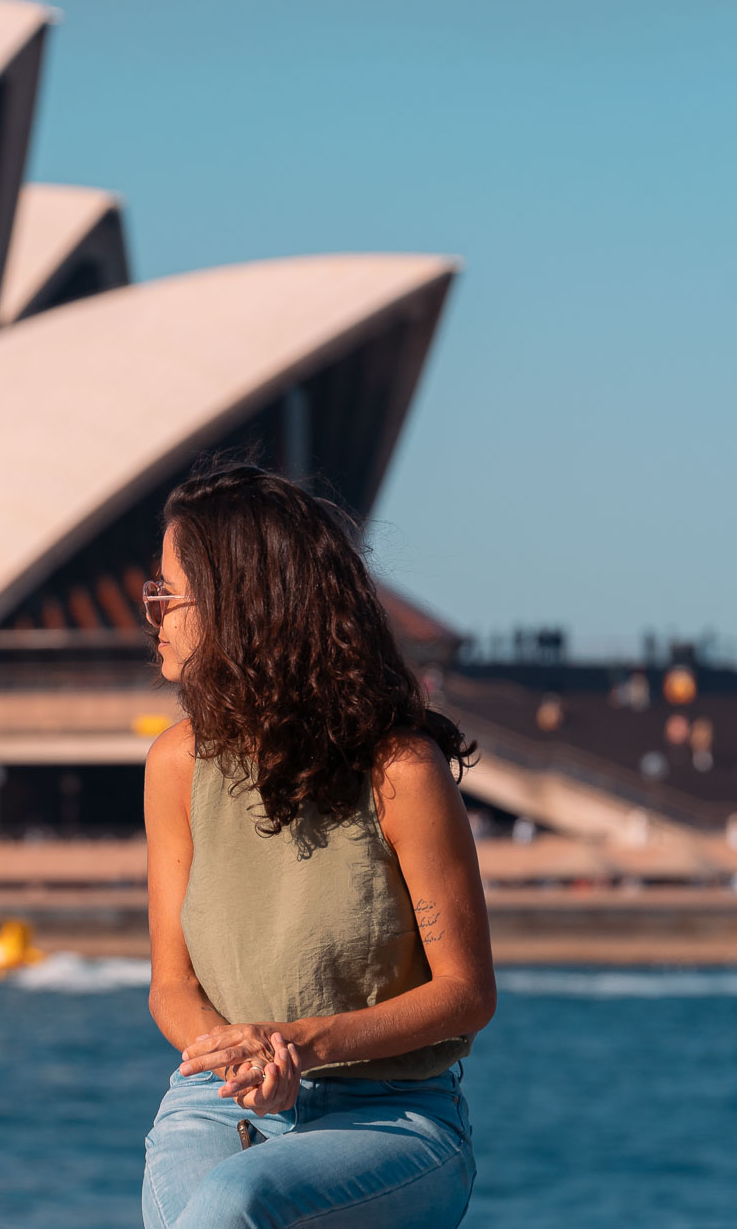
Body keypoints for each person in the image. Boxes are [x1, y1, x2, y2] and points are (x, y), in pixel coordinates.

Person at [139, 459, 494, 1229]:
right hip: (216, 1101)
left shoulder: (400, 773)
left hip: (390, 1116)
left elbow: (466, 994)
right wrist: (243, 1062)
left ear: (239, 608)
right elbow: (171, 986)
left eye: (168, 595)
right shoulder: (174, 766)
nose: (155, 615)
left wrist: (298, 1046)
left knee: (229, 1209)